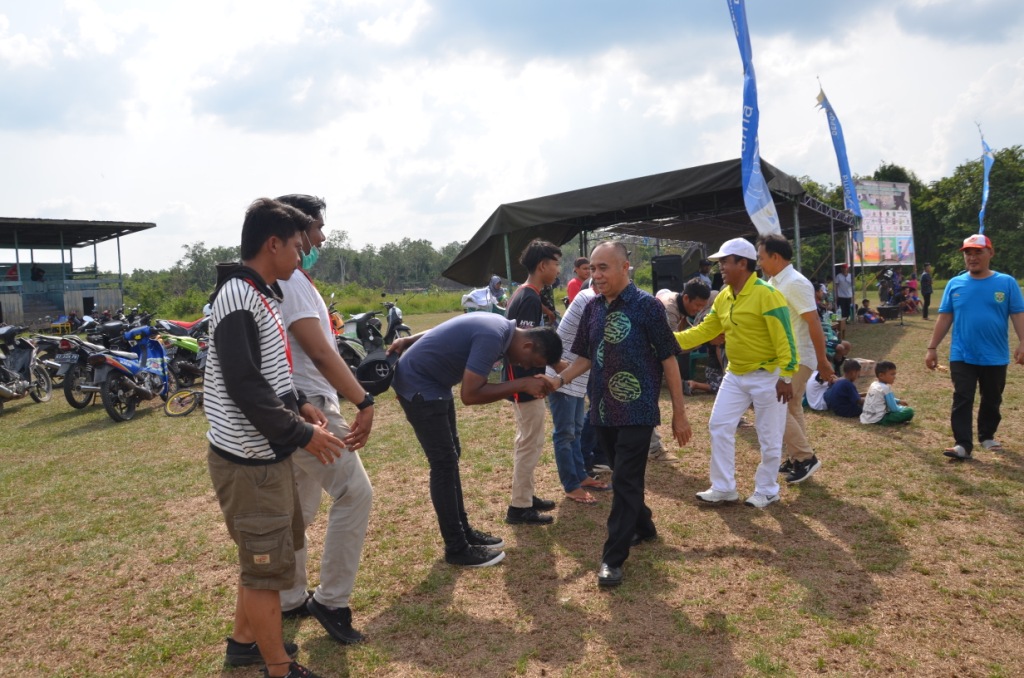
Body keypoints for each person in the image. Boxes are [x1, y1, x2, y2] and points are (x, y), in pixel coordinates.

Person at [205, 198, 345, 678]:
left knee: (265, 561)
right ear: (273, 244)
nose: (303, 253)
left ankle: (245, 643)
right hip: (248, 460)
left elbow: (270, 376)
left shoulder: (263, 293)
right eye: (297, 245)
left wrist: (300, 403)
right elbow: (245, 387)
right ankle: (279, 668)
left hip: (265, 454)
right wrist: (302, 432)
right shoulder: (239, 299)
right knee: (264, 570)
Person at [548, 241, 690, 588]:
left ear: (625, 267)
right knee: (626, 477)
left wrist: (678, 413)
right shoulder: (592, 308)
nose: (596, 276)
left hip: (638, 410)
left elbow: (668, 359)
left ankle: (613, 558)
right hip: (600, 411)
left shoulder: (648, 308)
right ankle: (643, 525)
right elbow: (583, 356)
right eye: (592, 269)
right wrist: (558, 380)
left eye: (603, 268)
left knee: (624, 481)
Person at [273, 194, 374, 645]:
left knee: (299, 509)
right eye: (314, 228)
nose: (320, 236)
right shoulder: (290, 279)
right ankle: (331, 601)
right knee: (355, 492)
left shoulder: (294, 277)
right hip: (309, 404)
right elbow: (317, 350)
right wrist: (363, 399)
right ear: (295, 232)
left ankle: (290, 596)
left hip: (301, 401)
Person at [388, 314, 561, 567]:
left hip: (434, 384)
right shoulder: (494, 337)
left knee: (451, 457)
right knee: (444, 464)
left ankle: (464, 532)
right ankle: (457, 547)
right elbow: (470, 394)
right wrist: (521, 384)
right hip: (420, 385)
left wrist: (413, 339)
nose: (526, 366)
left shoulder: (500, 327)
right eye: (531, 362)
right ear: (527, 346)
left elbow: (454, 328)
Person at [675, 237, 796, 509]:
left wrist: (786, 377)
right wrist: (670, 340)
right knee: (719, 425)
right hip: (736, 374)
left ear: (743, 263)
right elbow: (705, 330)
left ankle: (767, 489)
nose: (720, 268)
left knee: (768, 435)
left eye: (724, 262)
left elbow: (785, 339)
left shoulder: (768, 294)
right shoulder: (725, 297)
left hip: (768, 375)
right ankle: (724, 488)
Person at [925, 234, 1024, 460]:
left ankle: (987, 436)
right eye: (968, 253)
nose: (972, 257)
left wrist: (1023, 341)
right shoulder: (955, 283)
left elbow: (1018, 314)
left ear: (991, 253)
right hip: (962, 354)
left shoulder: (1006, 282)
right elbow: (944, 317)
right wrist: (932, 348)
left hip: (995, 354)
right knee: (962, 397)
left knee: (992, 397)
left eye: (978, 252)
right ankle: (962, 444)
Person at [757, 234, 833, 484]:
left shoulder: (795, 283)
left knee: (774, 404)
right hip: (784, 357)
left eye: (761, 257)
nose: (759, 262)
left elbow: (814, 322)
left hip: (798, 356)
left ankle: (805, 457)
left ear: (775, 257)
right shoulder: (774, 281)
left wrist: (822, 360)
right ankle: (797, 458)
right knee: (791, 406)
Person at [503, 239, 562, 525]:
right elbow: (523, 348)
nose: (557, 269)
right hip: (524, 383)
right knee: (530, 442)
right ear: (542, 266)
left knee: (530, 441)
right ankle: (519, 507)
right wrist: (532, 381)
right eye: (556, 263)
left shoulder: (526, 294)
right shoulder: (527, 298)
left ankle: (525, 495)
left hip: (525, 382)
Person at [546, 285, 610, 504]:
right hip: (562, 374)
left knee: (576, 429)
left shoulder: (597, 300)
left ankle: (580, 476)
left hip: (576, 376)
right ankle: (571, 485)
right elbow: (599, 343)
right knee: (564, 434)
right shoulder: (589, 300)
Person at [650, 279, 710, 460]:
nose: (698, 310)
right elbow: (670, 348)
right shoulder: (670, 310)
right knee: (648, 403)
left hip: (648, 357)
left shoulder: (679, 304)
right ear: (686, 298)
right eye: (697, 305)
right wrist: (704, 339)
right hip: (645, 360)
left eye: (702, 306)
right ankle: (653, 448)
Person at [860, 360, 914, 425]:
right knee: (909, 411)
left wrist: (898, 401)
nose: (894, 377)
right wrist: (903, 408)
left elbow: (883, 398)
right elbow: (894, 409)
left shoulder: (873, 384)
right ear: (881, 375)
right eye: (892, 374)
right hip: (879, 419)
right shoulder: (886, 388)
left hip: (866, 418)